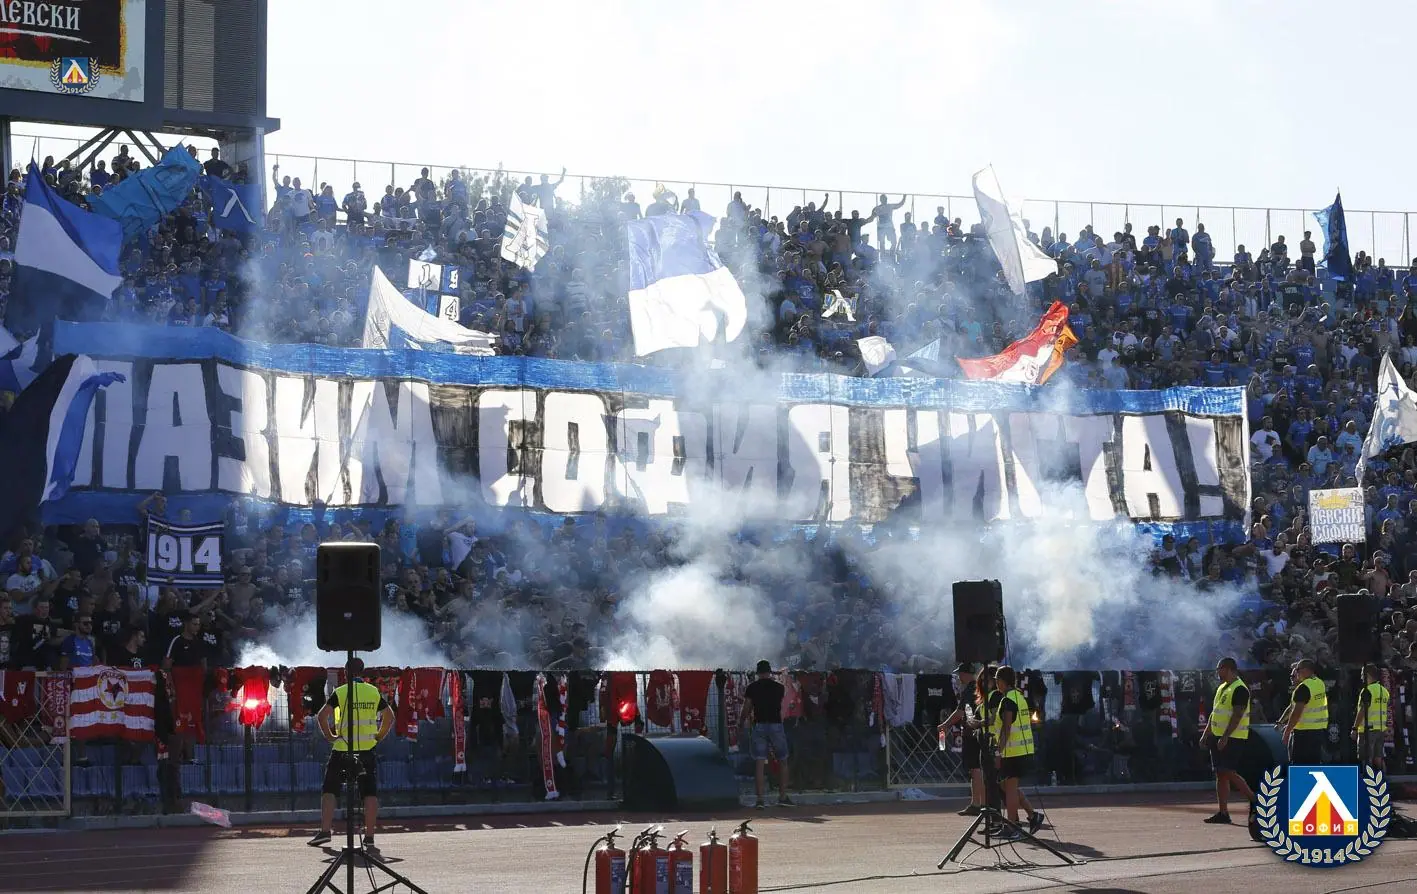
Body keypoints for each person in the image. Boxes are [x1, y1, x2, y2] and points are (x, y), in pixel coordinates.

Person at [309, 658, 395, 851]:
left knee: (330, 789)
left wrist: (330, 736)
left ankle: (325, 831)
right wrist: (379, 736)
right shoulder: (373, 692)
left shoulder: (340, 692)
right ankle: (369, 837)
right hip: (367, 749)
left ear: (345, 672)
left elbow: (322, 716)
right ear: (363, 672)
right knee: (369, 792)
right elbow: (390, 716)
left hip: (343, 748)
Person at [1199, 656, 1254, 824]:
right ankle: (1223, 813)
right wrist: (1206, 733)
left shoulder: (1240, 689)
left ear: (1228, 669)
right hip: (1217, 736)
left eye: (1220, 668)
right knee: (1220, 773)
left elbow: (1237, 715)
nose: (1217, 672)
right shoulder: (1222, 687)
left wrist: (1225, 737)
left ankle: (1255, 800)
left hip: (1233, 737)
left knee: (1229, 771)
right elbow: (1215, 713)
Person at [991, 665, 1044, 838]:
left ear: (1001, 681)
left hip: (1013, 752)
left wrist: (998, 752)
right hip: (1022, 750)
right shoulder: (1019, 697)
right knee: (1006, 786)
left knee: (1010, 789)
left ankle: (1012, 826)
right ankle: (1032, 815)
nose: (996, 684)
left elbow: (1006, 728)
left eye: (997, 681)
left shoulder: (1008, 701)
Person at [739, 659, 794, 810]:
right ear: (769, 672)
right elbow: (783, 706)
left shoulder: (752, 687)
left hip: (759, 725)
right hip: (776, 724)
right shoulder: (779, 688)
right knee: (783, 760)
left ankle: (760, 800)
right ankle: (782, 797)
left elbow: (746, 708)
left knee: (760, 762)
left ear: (758, 673)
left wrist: (741, 723)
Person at [938, 663, 986, 815]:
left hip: (972, 733)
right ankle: (978, 803)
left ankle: (980, 804)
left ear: (966, 674)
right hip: (976, 732)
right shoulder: (977, 688)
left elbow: (960, 713)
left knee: (975, 769)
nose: (959, 677)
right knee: (975, 769)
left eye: (960, 674)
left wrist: (945, 725)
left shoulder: (970, 690)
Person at [1278, 659, 1327, 765]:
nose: (1296, 672)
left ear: (1305, 670)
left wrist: (1287, 732)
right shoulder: (1319, 683)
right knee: (1314, 764)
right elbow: (1293, 707)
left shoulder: (1303, 688)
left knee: (1299, 765)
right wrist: (1281, 721)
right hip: (1318, 731)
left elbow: (1296, 713)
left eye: (1297, 670)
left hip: (1303, 733)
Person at [1352, 663, 1389, 771]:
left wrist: (1355, 728)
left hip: (1367, 730)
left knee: (1366, 758)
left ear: (1367, 675)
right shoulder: (1384, 691)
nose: (1361, 678)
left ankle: (1367, 779)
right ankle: (1383, 778)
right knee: (1378, 758)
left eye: (1362, 675)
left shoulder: (1367, 691)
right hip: (1380, 729)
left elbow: (1362, 711)